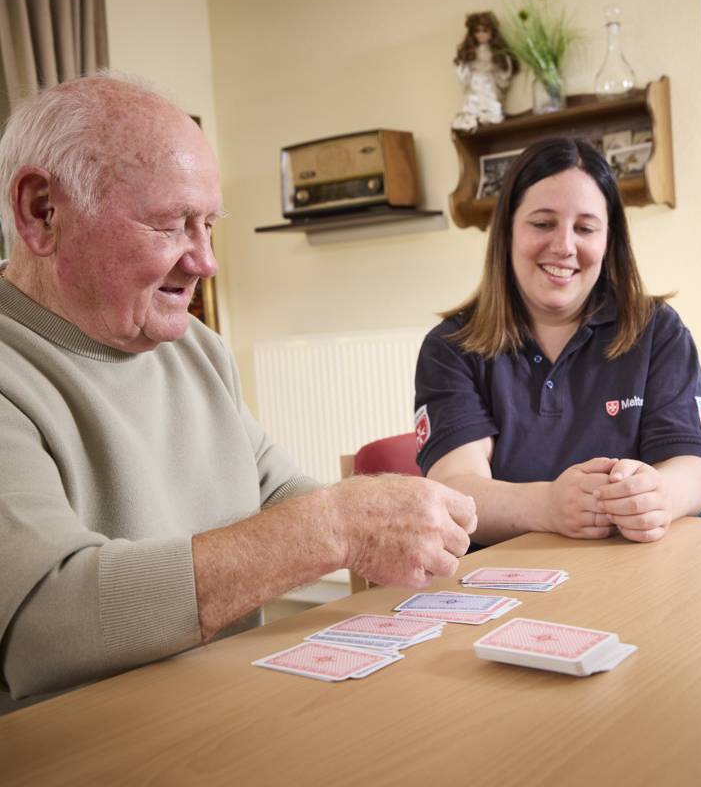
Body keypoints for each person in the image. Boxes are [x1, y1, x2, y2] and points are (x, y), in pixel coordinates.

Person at [0, 73, 477, 705]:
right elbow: (46, 623)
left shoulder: (195, 348)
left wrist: (387, 519)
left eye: (208, 225)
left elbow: (278, 493)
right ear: (42, 211)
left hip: (224, 712)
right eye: (171, 224)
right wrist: (337, 527)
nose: (205, 261)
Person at [414, 137, 701, 548]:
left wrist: (661, 495)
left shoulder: (657, 330)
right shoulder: (450, 346)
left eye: (585, 228)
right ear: (507, 231)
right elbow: (456, 490)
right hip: (502, 580)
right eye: (542, 223)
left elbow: (695, 465)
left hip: (633, 572)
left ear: (609, 241)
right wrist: (548, 505)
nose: (564, 246)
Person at [451, 11, 518, 132]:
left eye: (485, 30)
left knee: (490, 104)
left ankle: (488, 116)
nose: (481, 34)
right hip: (475, 83)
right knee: (474, 104)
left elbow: (504, 71)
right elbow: (463, 72)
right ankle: (475, 118)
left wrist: (500, 67)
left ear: (492, 31)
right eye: (477, 31)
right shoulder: (470, 51)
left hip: (490, 83)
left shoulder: (496, 51)